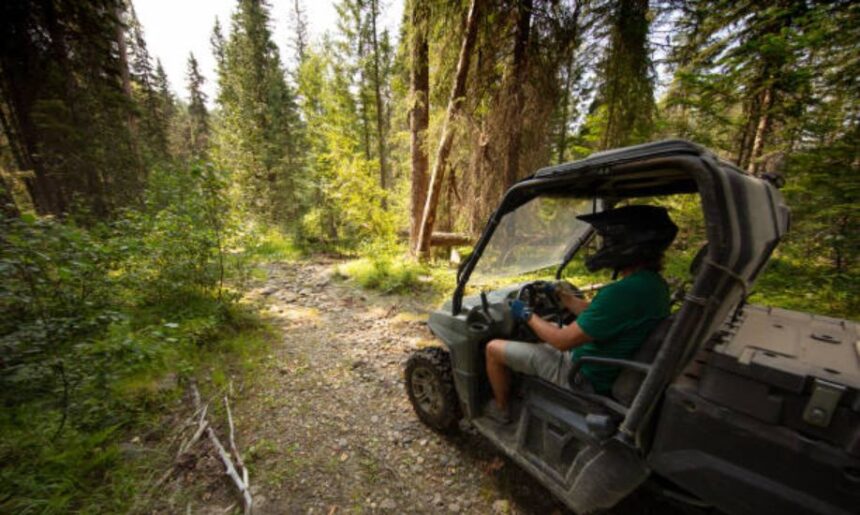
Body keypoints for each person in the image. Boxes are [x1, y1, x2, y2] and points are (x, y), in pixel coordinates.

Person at [484, 205, 678, 422]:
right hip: (605, 363)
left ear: (626, 246)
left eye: (608, 241)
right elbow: (599, 315)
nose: (604, 246)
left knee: (493, 348)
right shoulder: (653, 285)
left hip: (582, 374)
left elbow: (560, 342)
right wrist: (565, 298)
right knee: (551, 329)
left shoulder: (620, 292)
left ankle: (501, 409)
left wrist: (527, 314)